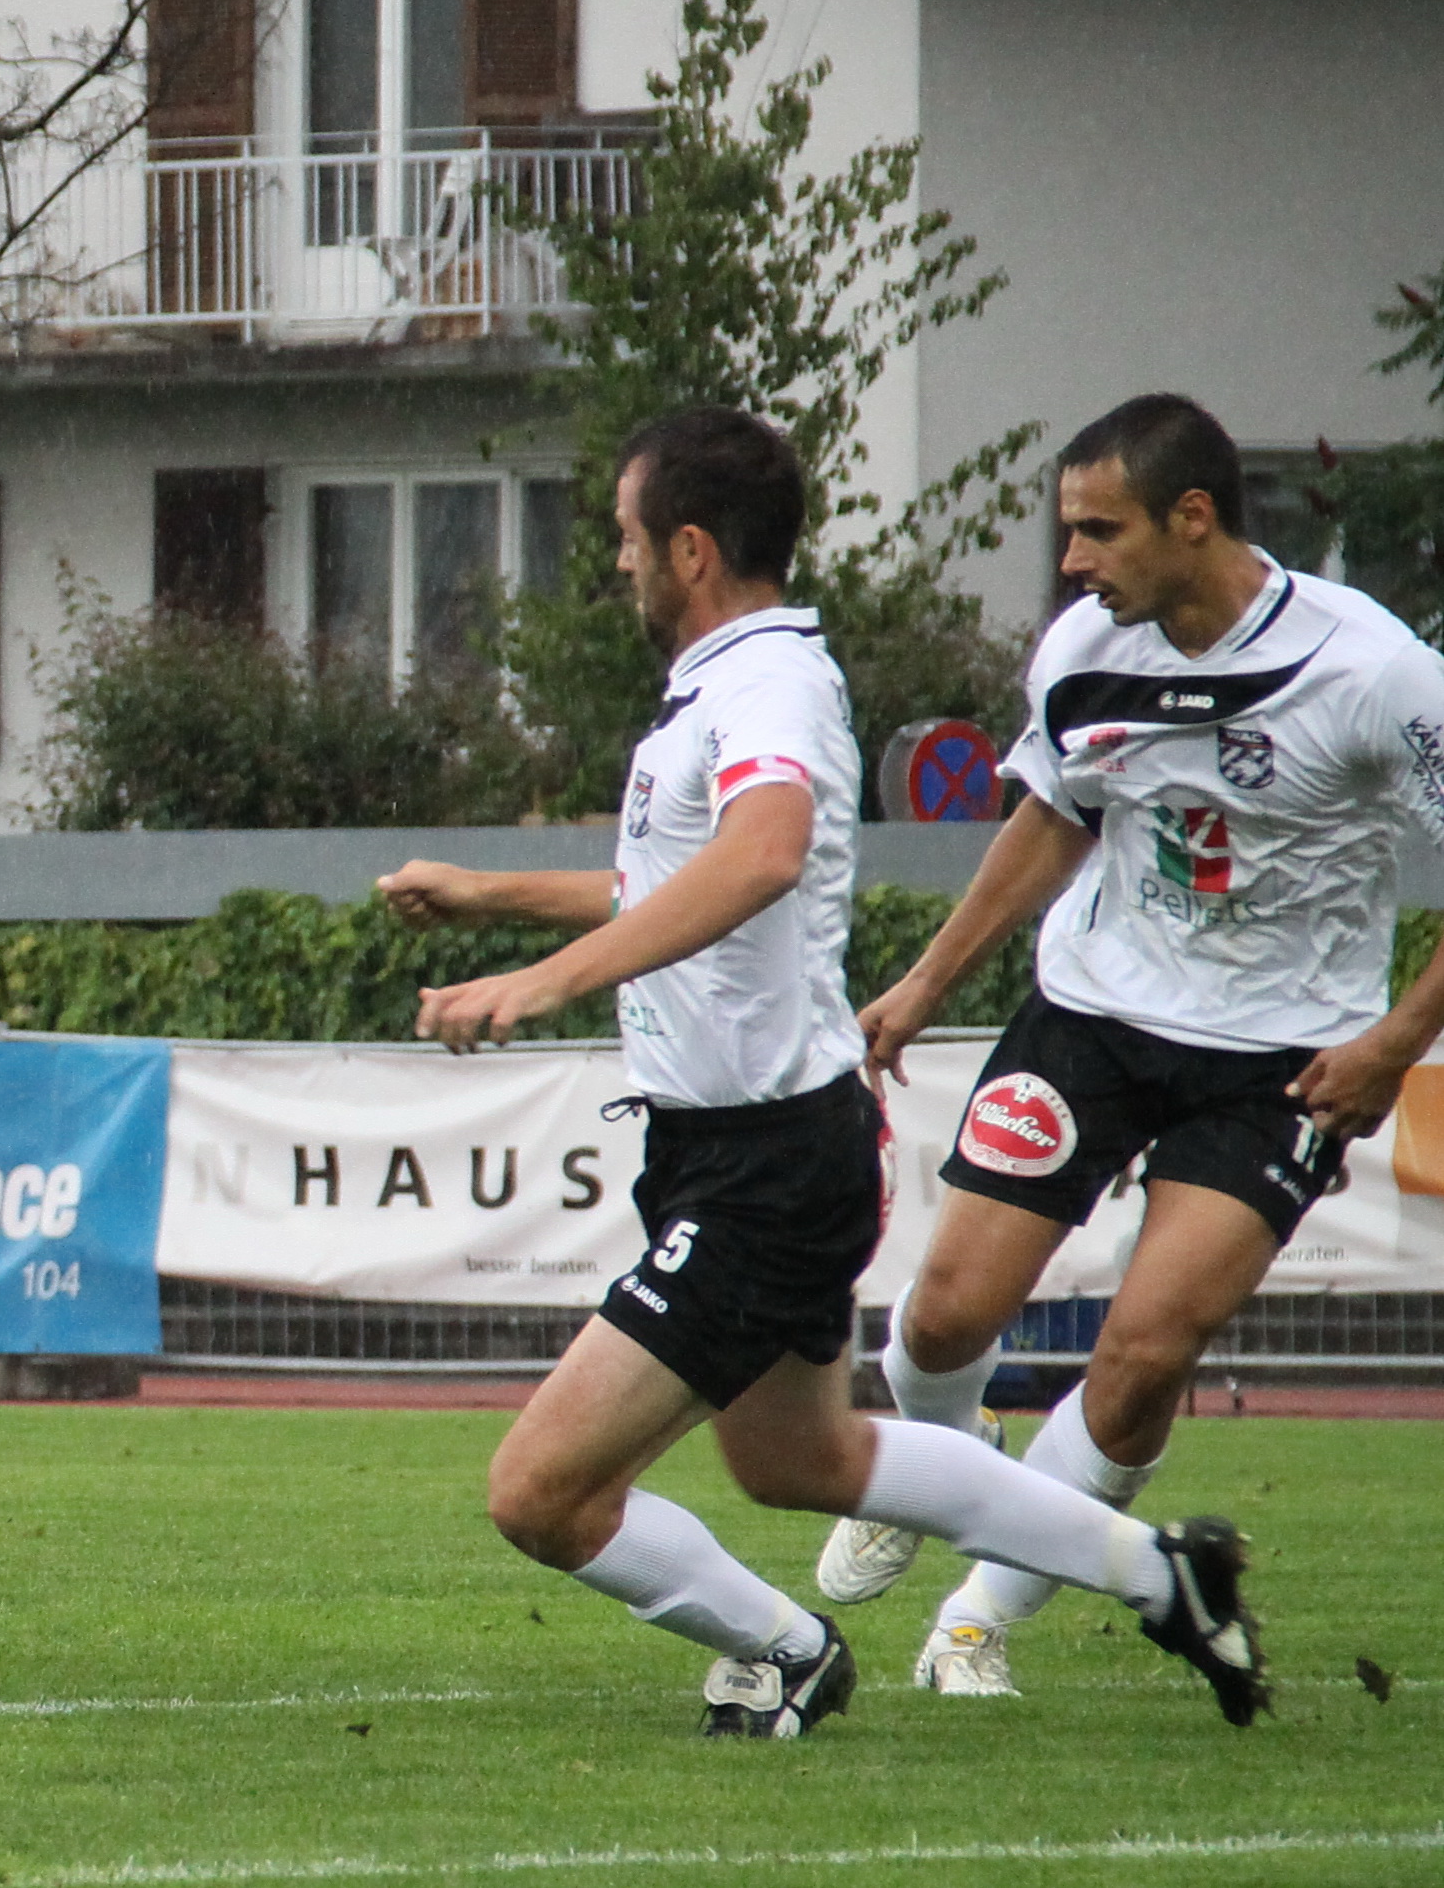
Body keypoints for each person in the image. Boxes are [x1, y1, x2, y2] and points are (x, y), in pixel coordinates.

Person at [377, 405, 1270, 1737]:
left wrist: (544, 983)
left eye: (625, 537)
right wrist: (490, 895)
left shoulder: (766, 683)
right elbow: (680, 877)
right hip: (737, 1146)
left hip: (766, 1163)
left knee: (540, 1490)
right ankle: (1160, 1574)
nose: (618, 562)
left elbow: (763, 854)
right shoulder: (728, 682)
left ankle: (787, 1650)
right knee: (807, 1458)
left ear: (688, 548)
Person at [819, 393, 1444, 1699]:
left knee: (1145, 1350)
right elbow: (1054, 813)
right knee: (943, 1313)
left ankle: (975, 1620)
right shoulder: (1081, 648)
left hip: (1278, 1061)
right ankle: (944, 1471)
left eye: (1098, 531)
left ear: (1191, 517)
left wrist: (1392, 1044)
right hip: (1092, 1016)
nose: (1072, 561)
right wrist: (926, 980)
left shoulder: (1374, 671)